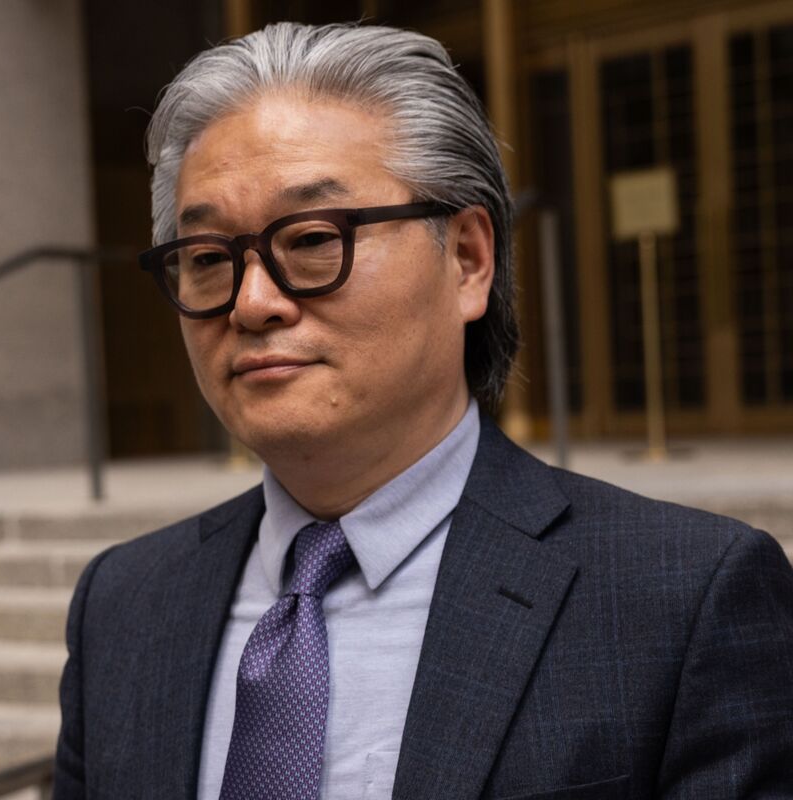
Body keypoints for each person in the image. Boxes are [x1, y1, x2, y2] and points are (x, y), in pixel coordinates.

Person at [54, 22, 793, 800]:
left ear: (468, 258)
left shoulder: (684, 600)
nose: (253, 302)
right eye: (207, 258)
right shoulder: (124, 603)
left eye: (312, 239)